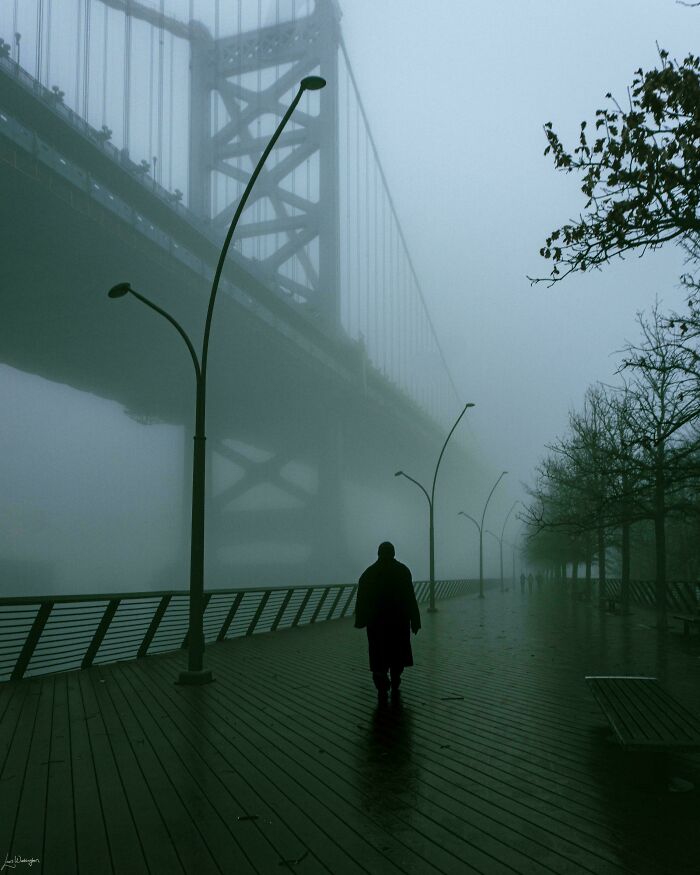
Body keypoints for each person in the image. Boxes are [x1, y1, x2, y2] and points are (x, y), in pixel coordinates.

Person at [354, 541, 421, 703]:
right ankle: (396, 677)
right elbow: (410, 597)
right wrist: (415, 620)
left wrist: (361, 619)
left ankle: (381, 683)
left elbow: (361, 598)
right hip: (399, 622)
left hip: (376, 624)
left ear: (378, 553)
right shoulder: (403, 571)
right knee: (398, 652)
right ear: (393, 553)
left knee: (378, 654)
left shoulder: (369, 573)